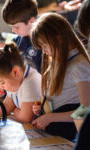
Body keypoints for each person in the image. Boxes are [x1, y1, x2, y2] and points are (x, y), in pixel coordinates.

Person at [30, 12, 90, 140]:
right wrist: (43, 108)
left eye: (44, 45)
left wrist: (51, 117)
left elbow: (85, 110)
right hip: (55, 131)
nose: (44, 50)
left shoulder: (79, 66)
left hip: (70, 134)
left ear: (58, 39)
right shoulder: (60, 61)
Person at [0, 42, 42, 123]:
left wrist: (14, 110)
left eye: (2, 82)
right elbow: (7, 106)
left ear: (15, 72)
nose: (1, 87)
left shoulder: (30, 82)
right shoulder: (14, 80)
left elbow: (25, 118)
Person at [1, 0, 42, 73]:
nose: (13, 30)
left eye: (16, 27)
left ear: (31, 20)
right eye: (11, 27)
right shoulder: (16, 41)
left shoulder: (43, 44)